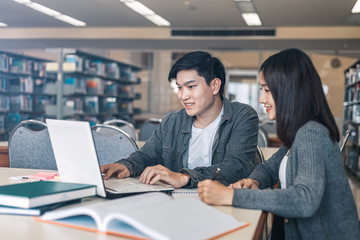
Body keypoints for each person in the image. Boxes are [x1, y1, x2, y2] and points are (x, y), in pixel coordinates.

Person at [197, 48, 360, 239]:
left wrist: (231, 196)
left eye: (267, 90)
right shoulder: (299, 133)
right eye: (261, 89)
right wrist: (254, 181)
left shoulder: (311, 133)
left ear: (291, 91)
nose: (261, 99)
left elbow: (304, 200)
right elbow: (269, 168)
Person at [101, 51, 259, 188]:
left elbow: (236, 167)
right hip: (177, 204)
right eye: (179, 87)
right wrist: (126, 166)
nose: (183, 96)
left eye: (191, 87)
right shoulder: (172, 121)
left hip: (223, 204)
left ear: (215, 86)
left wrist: (184, 177)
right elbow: (147, 155)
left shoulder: (242, 116)